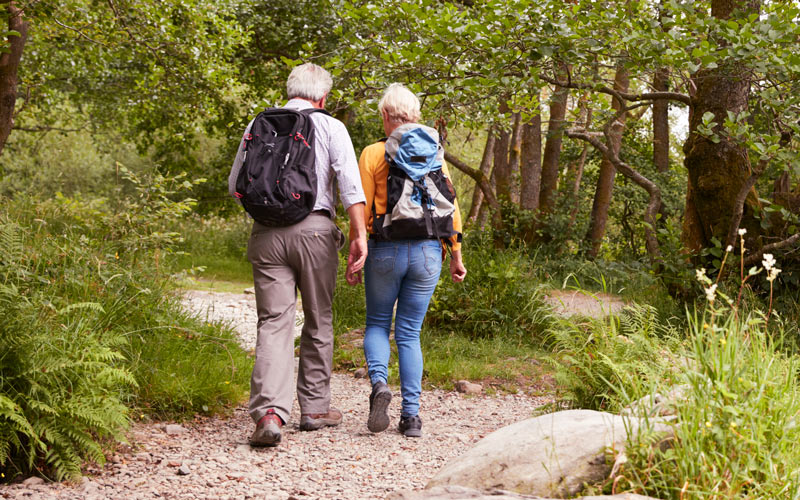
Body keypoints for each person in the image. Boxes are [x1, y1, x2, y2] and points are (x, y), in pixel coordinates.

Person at [228, 63, 368, 447]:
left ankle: (270, 413)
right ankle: (315, 409)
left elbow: (233, 184)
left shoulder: (260, 122)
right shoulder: (331, 126)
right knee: (318, 319)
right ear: (323, 97)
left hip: (267, 235)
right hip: (316, 233)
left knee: (273, 322)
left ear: (288, 89)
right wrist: (360, 236)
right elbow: (351, 187)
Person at [350, 83, 466, 438]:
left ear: (386, 116)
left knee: (377, 324)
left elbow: (363, 207)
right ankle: (411, 417)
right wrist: (456, 255)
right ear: (415, 117)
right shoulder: (435, 152)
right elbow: (452, 206)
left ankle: (380, 384)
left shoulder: (373, 153)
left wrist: (358, 247)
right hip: (429, 252)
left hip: (385, 250)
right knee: (410, 333)